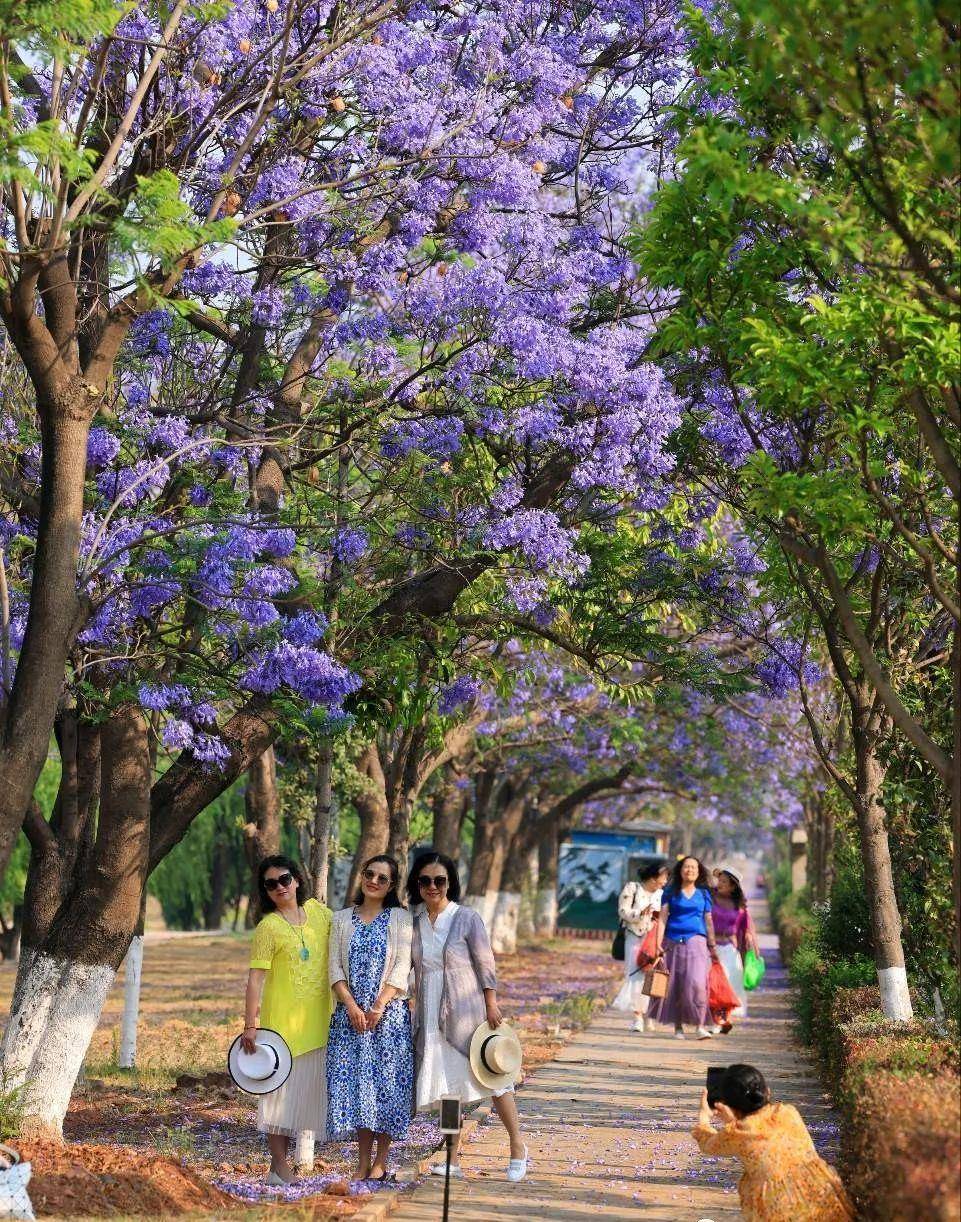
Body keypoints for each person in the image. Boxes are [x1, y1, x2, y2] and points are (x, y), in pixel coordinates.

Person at [406, 850, 529, 1183]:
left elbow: (485, 963)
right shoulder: (413, 921)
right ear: (417, 884)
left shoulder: (466, 917)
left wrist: (491, 1002)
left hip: (467, 1008)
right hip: (431, 1013)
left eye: (439, 880)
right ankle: (452, 1158)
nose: (433, 886)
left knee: (494, 1079)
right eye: (425, 880)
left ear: (450, 883)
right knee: (448, 1087)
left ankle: (517, 1145)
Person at [243, 856, 334, 1185]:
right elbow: (255, 980)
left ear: (297, 880)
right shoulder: (268, 927)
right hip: (280, 1026)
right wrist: (250, 1025)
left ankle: (279, 1169)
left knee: (303, 1096)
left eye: (284, 879)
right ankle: (280, 1165)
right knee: (278, 1098)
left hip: (318, 1023)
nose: (279, 887)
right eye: (271, 884)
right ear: (265, 891)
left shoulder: (321, 916)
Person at [326, 854, 414, 1182]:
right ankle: (362, 1162)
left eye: (382, 878)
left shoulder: (400, 919)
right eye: (370, 874)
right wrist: (350, 1005)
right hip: (350, 1019)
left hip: (388, 1019)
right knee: (359, 1088)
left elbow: (403, 965)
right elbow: (333, 966)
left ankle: (382, 1160)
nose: (374, 881)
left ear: (391, 886)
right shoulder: (341, 919)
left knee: (388, 1087)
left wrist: (379, 1005)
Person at [693, 1064, 855, 1220]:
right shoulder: (788, 1112)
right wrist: (733, 1120)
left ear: (730, 1106)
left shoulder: (738, 1132)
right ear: (767, 1093)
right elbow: (765, 1135)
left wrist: (704, 1117)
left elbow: (709, 1144)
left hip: (778, 1208)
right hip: (820, 1197)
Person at [650, 855, 719, 1039]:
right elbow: (663, 918)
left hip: (697, 942)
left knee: (697, 983)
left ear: (698, 872)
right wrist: (658, 944)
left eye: (694, 868)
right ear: (680, 870)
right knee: (677, 986)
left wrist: (712, 945)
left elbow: (708, 920)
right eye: (687, 867)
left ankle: (700, 1025)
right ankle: (678, 1027)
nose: (690, 870)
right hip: (673, 942)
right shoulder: (670, 892)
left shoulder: (704, 894)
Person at [612, 861, 670, 1032]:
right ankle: (637, 1017)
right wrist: (640, 914)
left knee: (653, 977)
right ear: (653, 878)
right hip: (634, 937)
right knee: (636, 976)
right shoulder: (632, 888)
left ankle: (649, 1016)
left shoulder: (661, 894)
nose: (665, 881)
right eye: (663, 877)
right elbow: (623, 911)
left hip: (655, 940)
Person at [711, 866, 760, 1030]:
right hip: (710, 948)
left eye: (724, 881)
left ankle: (723, 1019)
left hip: (730, 950)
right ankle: (716, 1019)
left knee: (729, 984)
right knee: (713, 985)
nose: (720, 884)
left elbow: (747, 926)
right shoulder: (710, 898)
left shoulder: (739, 905)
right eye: (719, 880)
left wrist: (747, 935)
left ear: (733, 886)